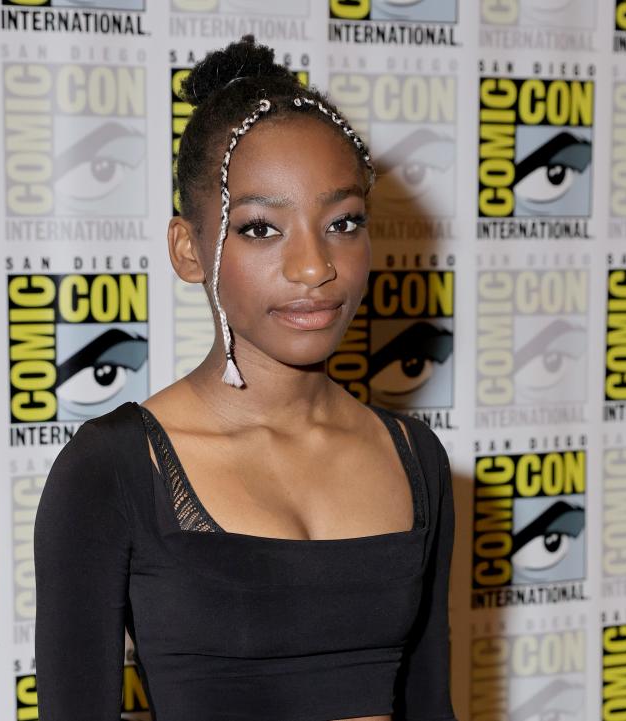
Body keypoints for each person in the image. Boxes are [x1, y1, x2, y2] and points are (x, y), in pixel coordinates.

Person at [34, 35, 457, 721]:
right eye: (262, 229)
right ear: (189, 249)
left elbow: (431, 707)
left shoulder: (415, 458)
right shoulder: (111, 468)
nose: (314, 266)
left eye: (343, 222)